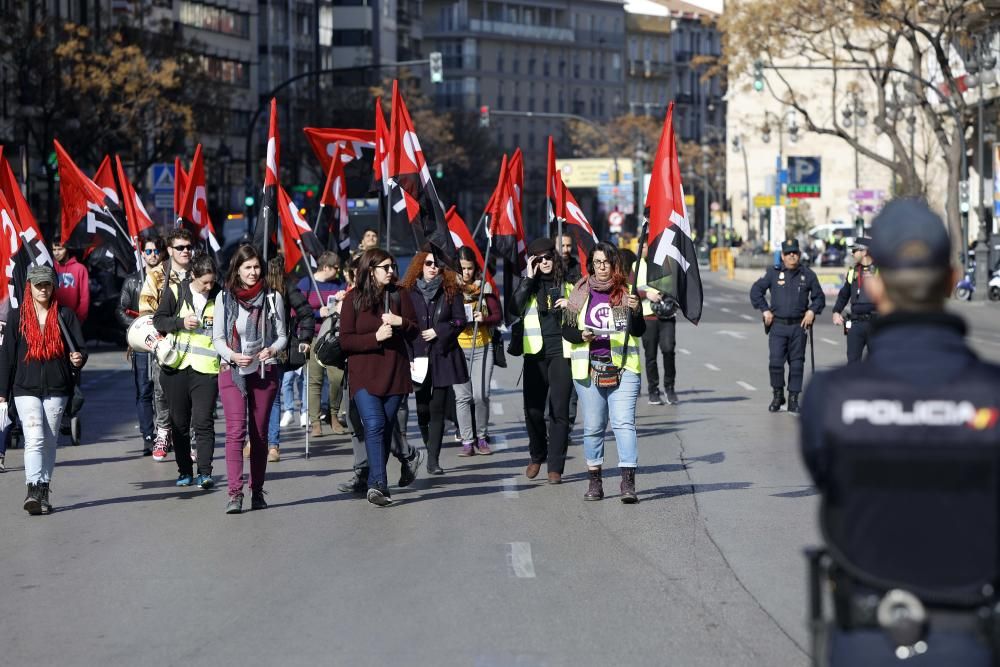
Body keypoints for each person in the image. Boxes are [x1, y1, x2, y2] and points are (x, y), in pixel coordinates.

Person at [801, 199, 999, 666]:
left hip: (866, 640)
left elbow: (827, 478)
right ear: (951, 281)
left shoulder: (831, 398)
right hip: (971, 641)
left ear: (874, 282)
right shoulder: (992, 395)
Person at [0, 265, 87, 515]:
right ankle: (32, 490)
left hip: (57, 387)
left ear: (53, 286)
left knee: (49, 441)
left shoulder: (65, 315)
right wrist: (2, 392)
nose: (43, 289)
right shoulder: (17, 317)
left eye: (47, 284)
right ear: (29, 286)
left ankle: (44, 490)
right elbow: (6, 357)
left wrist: (79, 359)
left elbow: (80, 349)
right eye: (38, 285)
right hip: (25, 387)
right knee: (34, 438)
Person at [561, 243, 644, 503]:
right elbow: (567, 330)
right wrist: (582, 335)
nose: (602, 267)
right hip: (588, 368)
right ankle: (595, 482)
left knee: (623, 423)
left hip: (623, 367)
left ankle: (628, 482)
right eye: (597, 262)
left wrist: (637, 310)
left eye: (606, 262)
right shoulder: (580, 292)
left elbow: (638, 330)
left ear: (614, 264)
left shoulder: (625, 292)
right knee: (594, 427)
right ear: (591, 265)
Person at [339, 248, 418, 506]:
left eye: (393, 266)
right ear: (370, 270)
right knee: (373, 424)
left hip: (394, 374)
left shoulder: (399, 294)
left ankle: (377, 480)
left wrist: (399, 322)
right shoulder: (353, 300)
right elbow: (346, 341)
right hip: (363, 376)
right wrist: (375, 338)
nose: (391, 271)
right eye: (386, 267)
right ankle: (378, 484)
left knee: (383, 430)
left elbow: (415, 331)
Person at [213, 244, 287, 514]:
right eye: (248, 267)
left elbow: (282, 335)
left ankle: (257, 490)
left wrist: (273, 349)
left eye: (257, 267)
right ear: (237, 269)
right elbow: (217, 338)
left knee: (259, 435)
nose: (253, 272)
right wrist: (233, 355)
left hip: (263, 372)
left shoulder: (272, 297)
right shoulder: (224, 298)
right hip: (232, 371)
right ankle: (235, 493)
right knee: (235, 433)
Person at [153, 254, 220, 489]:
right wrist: (181, 323)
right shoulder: (175, 291)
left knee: (203, 422)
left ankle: (204, 472)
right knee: (179, 423)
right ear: (193, 276)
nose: (208, 287)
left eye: (212, 282)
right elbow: (158, 321)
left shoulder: (220, 295)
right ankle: (184, 471)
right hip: (175, 368)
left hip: (206, 370)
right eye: (205, 283)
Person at [400, 250, 468, 475]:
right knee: (422, 409)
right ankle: (428, 445)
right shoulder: (408, 292)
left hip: (442, 355)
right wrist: (408, 358)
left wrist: (439, 331)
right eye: (428, 263)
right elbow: (404, 326)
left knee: (437, 408)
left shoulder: (450, 291)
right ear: (420, 265)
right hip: (417, 357)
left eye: (437, 264)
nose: (433, 268)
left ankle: (433, 459)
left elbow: (460, 320)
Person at [512, 237, 573, 484]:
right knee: (533, 411)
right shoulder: (529, 284)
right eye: (539, 259)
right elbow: (514, 308)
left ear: (554, 257)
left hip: (562, 351)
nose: (545, 262)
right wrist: (528, 277)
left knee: (559, 411)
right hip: (535, 353)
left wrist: (570, 305)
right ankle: (537, 454)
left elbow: (582, 309)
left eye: (548, 257)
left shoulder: (569, 281)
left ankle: (555, 466)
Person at [750, 239, 825, 414]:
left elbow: (819, 297)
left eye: (795, 253)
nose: (792, 255)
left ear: (799, 254)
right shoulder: (773, 273)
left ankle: (793, 398)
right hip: (778, 326)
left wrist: (812, 311)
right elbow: (756, 291)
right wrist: (765, 310)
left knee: (797, 364)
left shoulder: (808, 274)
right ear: (782, 256)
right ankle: (778, 396)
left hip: (799, 326)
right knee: (776, 363)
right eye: (789, 253)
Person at [140, 228, 196, 461]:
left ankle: (193, 438)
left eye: (188, 247)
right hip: (165, 342)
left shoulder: (199, 271)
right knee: (162, 390)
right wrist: (159, 337)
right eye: (180, 247)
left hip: (195, 343)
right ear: (170, 250)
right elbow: (145, 309)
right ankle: (163, 430)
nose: (185, 251)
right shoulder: (157, 275)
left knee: (193, 393)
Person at [116, 233, 165, 456]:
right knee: (144, 391)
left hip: (165, 342)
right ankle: (148, 436)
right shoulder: (132, 280)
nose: (152, 255)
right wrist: (139, 326)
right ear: (142, 254)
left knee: (163, 390)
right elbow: (120, 310)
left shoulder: (169, 279)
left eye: (156, 251)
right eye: (148, 251)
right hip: (142, 345)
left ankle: (165, 433)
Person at [265, 256, 315, 462]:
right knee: (262, 398)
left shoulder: (285, 287)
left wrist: (304, 338)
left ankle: (272, 445)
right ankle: (264, 443)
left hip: (277, 348)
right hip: (254, 347)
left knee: (271, 398)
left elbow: (305, 312)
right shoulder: (256, 286)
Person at [453, 246, 501, 456]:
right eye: (462, 268)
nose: (466, 273)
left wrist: (485, 319)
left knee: (481, 395)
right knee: (462, 397)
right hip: (457, 348)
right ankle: (467, 440)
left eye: (470, 268)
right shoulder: (451, 289)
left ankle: (482, 436)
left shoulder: (484, 287)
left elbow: (497, 315)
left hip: (482, 346)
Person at [297, 252, 347, 437]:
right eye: (335, 268)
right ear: (325, 267)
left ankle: (333, 415)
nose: (338, 271)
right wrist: (318, 313)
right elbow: (297, 311)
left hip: (333, 337)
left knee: (336, 379)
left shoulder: (339, 283)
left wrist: (344, 297)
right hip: (313, 337)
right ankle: (315, 422)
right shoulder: (306, 284)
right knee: (314, 381)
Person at [636, 244, 679, 406]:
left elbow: (678, 285)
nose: (647, 249)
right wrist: (646, 293)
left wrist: (666, 290)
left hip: (667, 315)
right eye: (645, 246)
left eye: (650, 246)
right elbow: (629, 289)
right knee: (650, 355)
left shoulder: (668, 263)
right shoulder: (637, 266)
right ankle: (653, 390)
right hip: (648, 316)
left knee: (668, 350)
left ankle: (670, 388)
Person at [832, 237, 878, 362]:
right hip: (856, 322)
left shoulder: (880, 270)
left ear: (864, 252)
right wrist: (836, 311)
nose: (852, 253)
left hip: (876, 323)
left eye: (855, 250)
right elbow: (844, 294)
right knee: (852, 361)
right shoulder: (853, 271)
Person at [52, 237, 90, 324]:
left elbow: (84, 298)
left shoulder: (80, 269)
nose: (56, 253)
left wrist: (79, 320)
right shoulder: (50, 268)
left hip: (73, 320)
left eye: (60, 249)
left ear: (67, 249)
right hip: (53, 319)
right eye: (54, 249)